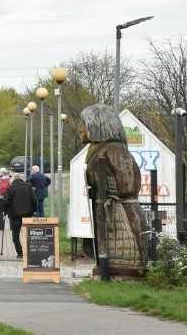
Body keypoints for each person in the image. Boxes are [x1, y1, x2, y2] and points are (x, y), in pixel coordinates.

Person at [81, 104, 149, 272]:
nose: (80, 128)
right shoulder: (100, 149)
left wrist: (106, 189)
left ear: (97, 124)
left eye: (84, 123)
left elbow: (128, 184)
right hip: (108, 209)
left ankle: (123, 272)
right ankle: (107, 269)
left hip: (122, 211)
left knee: (125, 251)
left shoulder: (115, 149)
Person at [1, 172, 36, 259]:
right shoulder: (28, 186)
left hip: (15, 214)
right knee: (29, 233)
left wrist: (4, 212)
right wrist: (34, 210)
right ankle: (30, 251)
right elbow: (34, 199)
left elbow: (6, 201)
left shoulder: (10, 187)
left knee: (15, 234)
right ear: (20, 178)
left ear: (13, 179)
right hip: (28, 213)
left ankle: (20, 252)